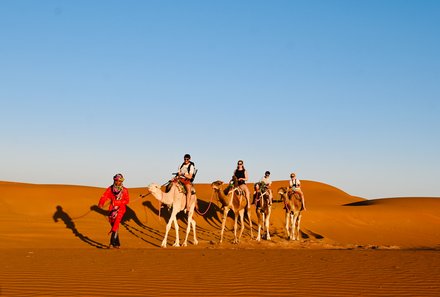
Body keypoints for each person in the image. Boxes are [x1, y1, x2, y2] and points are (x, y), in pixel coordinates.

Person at [98, 173, 130, 248]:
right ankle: (117, 243)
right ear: (114, 180)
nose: (118, 182)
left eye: (119, 181)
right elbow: (104, 196)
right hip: (112, 209)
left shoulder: (124, 190)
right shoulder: (110, 189)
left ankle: (112, 243)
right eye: (116, 181)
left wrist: (117, 202)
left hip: (121, 209)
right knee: (113, 225)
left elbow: (127, 200)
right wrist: (101, 203)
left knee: (116, 225)